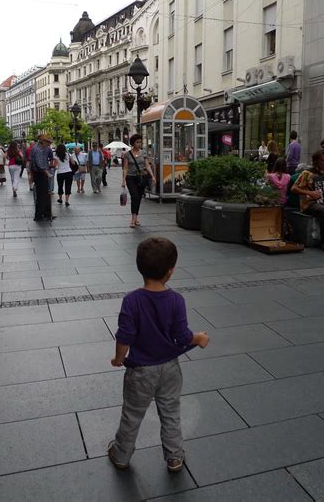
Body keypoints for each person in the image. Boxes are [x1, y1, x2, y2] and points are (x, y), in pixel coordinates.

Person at [108, 237, 209, 473]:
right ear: (170, 271)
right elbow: (182, 336)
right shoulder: (176, 300)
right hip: (170, 369)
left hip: (141, 371)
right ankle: (174, 457)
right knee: (171, 412)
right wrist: (199, 338)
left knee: (132, 414)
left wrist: (119, 358)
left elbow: (125, 336)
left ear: (139, 267)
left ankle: (121, 455)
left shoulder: (131, 301)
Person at [122, 134, 156, 228]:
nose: (139, 144)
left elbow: (147, 165)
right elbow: (125, 168)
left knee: (139, 198)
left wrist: (152, 176)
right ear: (133, 143)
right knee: (134, 196)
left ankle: (136, 217)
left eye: (140, 142)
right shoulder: (127, 154)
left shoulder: (143, 153)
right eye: (137, 142)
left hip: (141, 177)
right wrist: (123, 180)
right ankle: (133, 219)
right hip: (130, 178)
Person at [31, 134, 54, 221]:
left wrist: (51, 165)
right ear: (43, 142)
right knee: (41, 195)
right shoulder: (37, 149)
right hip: (40, 173)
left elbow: (50, 155)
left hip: (44, 172)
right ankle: (38, 215)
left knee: (46, 194)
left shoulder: (45, 148)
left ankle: (47, 213)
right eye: (48, 143)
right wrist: (47, 173)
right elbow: (39, 164)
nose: (49, 145)